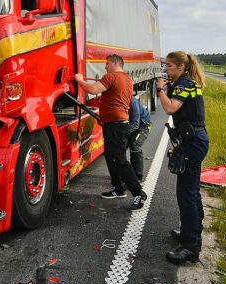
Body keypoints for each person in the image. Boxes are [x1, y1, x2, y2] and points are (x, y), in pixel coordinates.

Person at [156, 51, 210, 265]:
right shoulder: (184, 81)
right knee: (190, 191)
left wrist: (160, 89)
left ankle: (190, 246)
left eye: (169, 66)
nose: (166, 69)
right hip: (192, 140)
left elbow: (170, 107)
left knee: (186, 194)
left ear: (180, 67)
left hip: (193, 142)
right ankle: (192, 232)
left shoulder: (185, 83)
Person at [75, 55, 146, 209]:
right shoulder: (126, 79)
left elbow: (93, 89)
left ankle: (139, 193)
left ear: (115, 63)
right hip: (114, 125)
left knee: (119, 160)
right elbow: (113, 100)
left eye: (107, 64)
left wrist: (79, 80)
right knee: (111, 158)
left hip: (117, 126)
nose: (105, 67)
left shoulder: (112, 76)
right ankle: (119, 189)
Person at [127, 95, 152, 182]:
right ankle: (123, 173)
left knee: (134, 145)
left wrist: (121, 132)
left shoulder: (132, 101)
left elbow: (135, 124)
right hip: (129, 125)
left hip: (143, 126)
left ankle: (138, 177)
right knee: (119, 146)